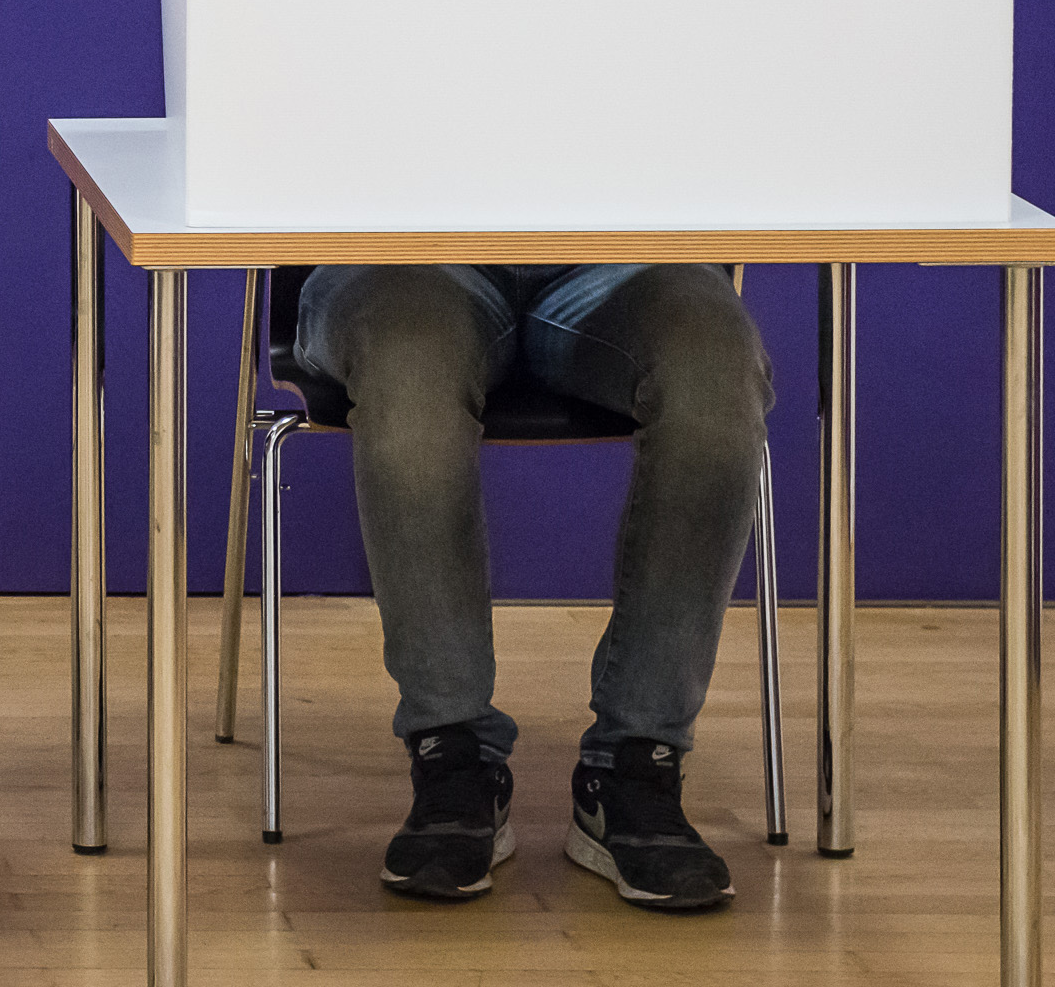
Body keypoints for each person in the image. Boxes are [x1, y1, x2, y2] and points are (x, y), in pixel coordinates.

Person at [292, 262, 770, 913]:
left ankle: (637, 762)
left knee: (712, 367)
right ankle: (451, 753)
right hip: (402, 253)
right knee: (410, 364)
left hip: (620, 259)